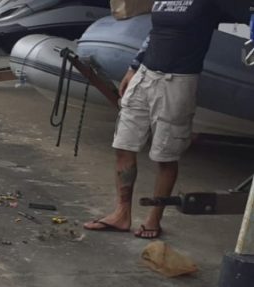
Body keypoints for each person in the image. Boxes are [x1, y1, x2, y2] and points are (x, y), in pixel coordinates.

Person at [84, 0, 252, 239]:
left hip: (178, 81)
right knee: (123, 146)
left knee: (165, 155)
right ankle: (122, 214)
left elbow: (249, 15)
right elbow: (154, 33)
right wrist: (134, 67)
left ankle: (154, 219)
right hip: (145, 75)